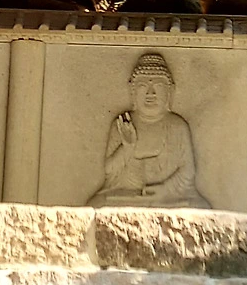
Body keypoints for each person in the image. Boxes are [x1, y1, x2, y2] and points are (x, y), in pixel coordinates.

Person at [88, 51, 210, 207]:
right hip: (126, 196)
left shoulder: (177, 126)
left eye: (158, 86)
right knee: (96, 204)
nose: (150, 93)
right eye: (142, 86)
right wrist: (127, 148)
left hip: (168, 197)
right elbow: (110, 171)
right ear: (132, 91)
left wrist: (165, 190)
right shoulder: (123, 123)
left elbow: (188, 172)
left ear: (170, 92)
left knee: (199, 206)